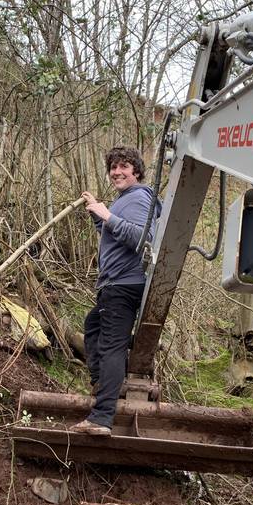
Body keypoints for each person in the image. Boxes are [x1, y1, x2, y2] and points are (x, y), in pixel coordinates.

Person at [71, 146, 161, 437]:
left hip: (123, 284)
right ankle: (105, 383)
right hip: (117, 283)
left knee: (111, 346)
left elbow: (142, 239)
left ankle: (101, 416)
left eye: (124, 167)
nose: (117, 172)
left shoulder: (137, 198)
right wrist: (99, 213)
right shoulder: (126, 200)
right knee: (93, 326)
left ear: (136, 170)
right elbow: (115, 234)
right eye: (113, 167)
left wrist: (107, 215)